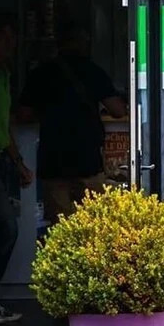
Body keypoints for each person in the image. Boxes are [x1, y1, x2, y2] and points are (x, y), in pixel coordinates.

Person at [17, 22, 126, 224]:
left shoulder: (41, 73)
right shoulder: (92, 71)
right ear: (81, 43)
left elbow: (23, 114)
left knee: (60, 227)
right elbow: (118, 111)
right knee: (93, 225)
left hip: (53, 161)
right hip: (87, 159)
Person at [0, 14, 34, 325]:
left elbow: (3, 125)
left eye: (12, 40)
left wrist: (18, 163)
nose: (10, 45)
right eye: (4, 38)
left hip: (0, 160)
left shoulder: (2, 73)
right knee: (5, 229)